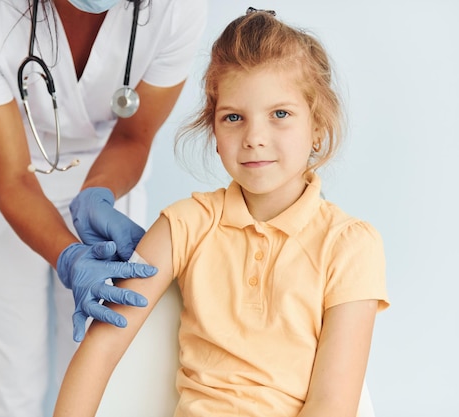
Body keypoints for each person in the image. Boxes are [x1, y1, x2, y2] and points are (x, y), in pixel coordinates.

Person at [53, 7, 390, 417]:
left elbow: (332, 405)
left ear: (317, 126)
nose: (254, 138)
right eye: (233, 117)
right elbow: (99, 352)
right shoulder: (184, 225)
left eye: (280, 114)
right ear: (214, 131)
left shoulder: (350, 246)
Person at [0, 0, 206, 415]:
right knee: (8, 380)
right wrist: (69, 256)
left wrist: (97, 192)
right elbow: (12, 178)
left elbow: (133, 137)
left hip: (110, 171)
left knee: (98, 367)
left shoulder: (177, 8)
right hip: (4, 177)